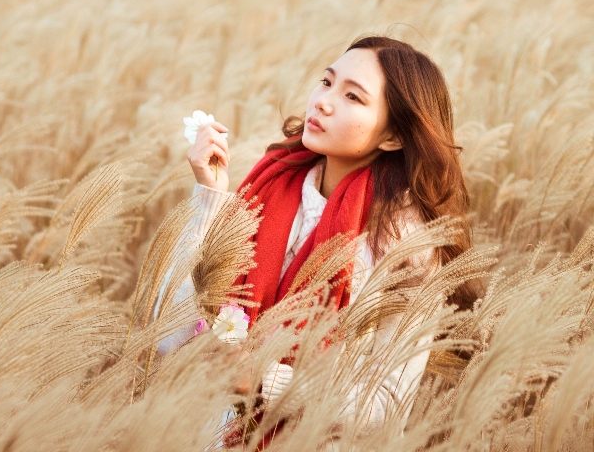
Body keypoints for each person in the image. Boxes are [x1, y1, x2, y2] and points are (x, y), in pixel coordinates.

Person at [158, 36, 479, 437]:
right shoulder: (267, 192)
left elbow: (385, 410)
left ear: (393, 137)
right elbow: (170, 337)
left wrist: (263, 377)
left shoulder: (404, 245)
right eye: (326, 83)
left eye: (353, 97)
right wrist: (210, 197)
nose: (323, 102)